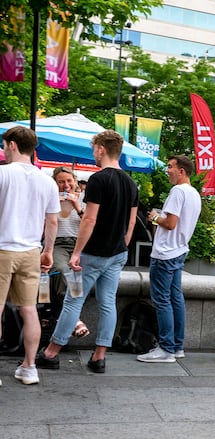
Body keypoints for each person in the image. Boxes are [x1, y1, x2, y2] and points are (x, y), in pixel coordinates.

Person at [37, 130, 138, 374]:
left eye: (94, 150)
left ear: (101, 149)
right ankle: (99, 357)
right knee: (107, 303)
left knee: (73, 301)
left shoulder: (98, 179)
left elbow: (89, 220)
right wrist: (121, 246)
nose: (93, 154)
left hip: (91, 255)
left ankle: (51, 352)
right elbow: (131, 223)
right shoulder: (131, 183)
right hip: (117, 254)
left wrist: (76, 253)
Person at [0, 126, 60, 385]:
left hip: (2, 248)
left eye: (4, 145)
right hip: (31, 251)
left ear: (12, 145)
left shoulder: (2, 174)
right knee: (29, 310)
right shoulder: (47, 180)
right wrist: (47, 251)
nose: (3, 150)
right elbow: (53, 221)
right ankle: (29, 367)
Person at [137, 155, 201, 363]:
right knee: (175, 299)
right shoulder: (194, 193)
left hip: (165, 253)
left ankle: (165, 348)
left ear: (181, 171)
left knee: (162, 300)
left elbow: (170, 223)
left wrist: (154, 217)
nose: (167, 170)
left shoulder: (177, 191)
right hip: (179, 251)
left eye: (171, 167)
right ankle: (177, 346)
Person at [51, 166, 90, 339]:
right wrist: (52, 207)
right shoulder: (51, 199)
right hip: (58, 243)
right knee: (61, 269)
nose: (66, 185)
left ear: (75, 181)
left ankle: (69, 315)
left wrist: (76, 206)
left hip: (79, 243)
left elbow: (90, 225)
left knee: (77, 273)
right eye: (61, 181)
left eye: (69, 181)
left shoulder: (85, 199)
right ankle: (75, 319)